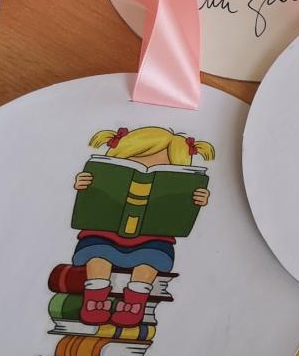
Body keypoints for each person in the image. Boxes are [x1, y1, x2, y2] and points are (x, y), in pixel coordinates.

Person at [72, 127, 213, 326]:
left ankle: (135, 302)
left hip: (152, 239)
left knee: (151, 258)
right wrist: (83, 185)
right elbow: (91, 203)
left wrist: (197, 200)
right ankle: (95, 298)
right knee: (98, 254)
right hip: (104, 234)